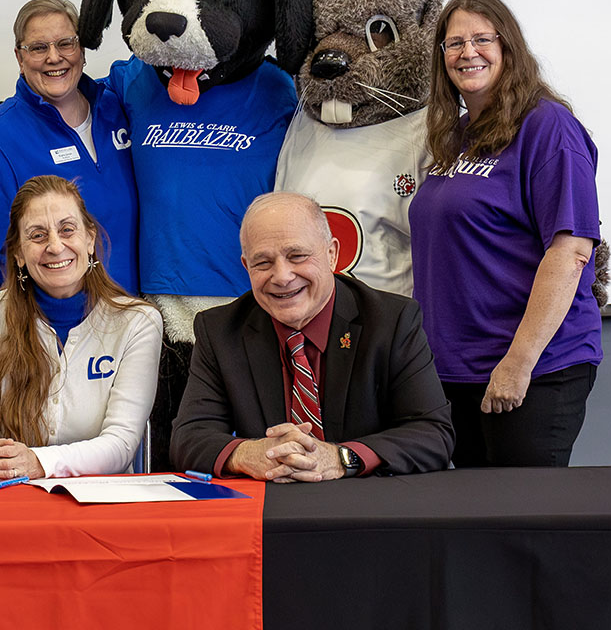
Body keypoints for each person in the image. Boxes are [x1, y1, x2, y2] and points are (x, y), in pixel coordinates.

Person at [409, 0, 601, 467]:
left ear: (508, 48)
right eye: (453, 44)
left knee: (524, 525)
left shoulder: (548, 128)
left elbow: (570, 250)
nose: (467, 53)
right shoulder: (451, 136)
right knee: (472, 525)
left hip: (534, 368)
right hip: (456, 373)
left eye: (482, 39)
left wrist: (517, 365)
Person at [171, 192, 453, 481]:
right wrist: (249, 454)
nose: (282, 276)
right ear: (246, 266)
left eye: (297, 256)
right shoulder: (220, 330)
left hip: (369, 507)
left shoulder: (392, 321)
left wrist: (340, 458)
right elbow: (188, 438)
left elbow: (432, 433)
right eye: (263, 263)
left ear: (331, 254)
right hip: (268, 510)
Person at [0, 0, 139, 344]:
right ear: (19, 57)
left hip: (131, 336)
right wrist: (0, 359)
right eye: (38, 47)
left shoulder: (120, 110)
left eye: (65, 43)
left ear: (82, 48)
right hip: (47, 350)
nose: (53, 57)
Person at [0, 175, 161, 483]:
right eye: (37, 235)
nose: (55, 246)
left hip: (102, 502)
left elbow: (121, 443)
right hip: (10, 497)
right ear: (18, 254)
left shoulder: (138, 322)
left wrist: (38, 462)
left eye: (67, 230)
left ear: (89, 239)